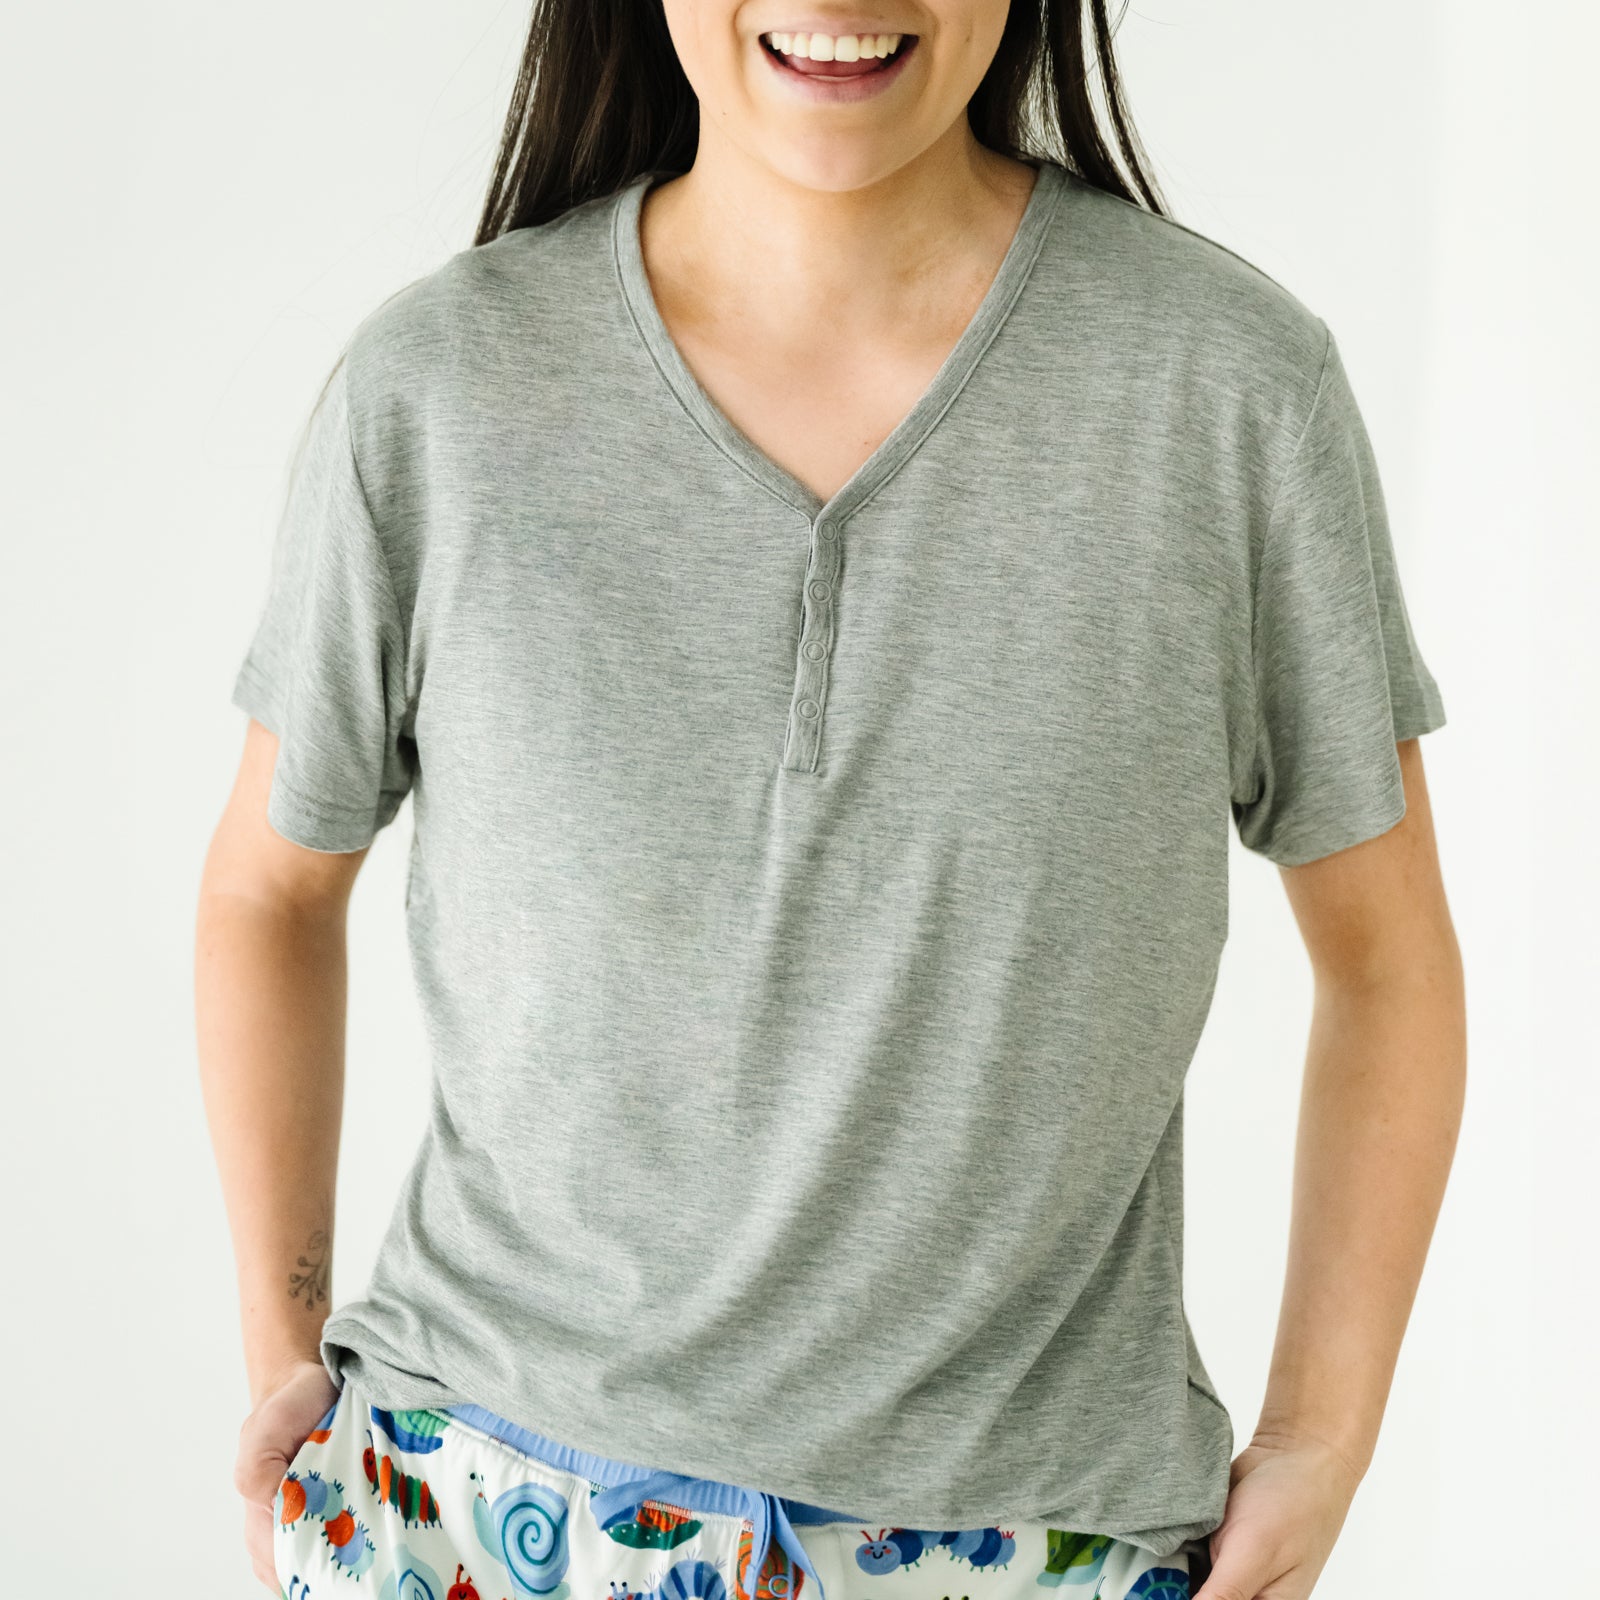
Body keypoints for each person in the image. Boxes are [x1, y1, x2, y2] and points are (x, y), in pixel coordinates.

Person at [195, 4, 1467, 1599]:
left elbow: (1388, 960)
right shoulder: (437, 392)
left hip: (1037, 1546)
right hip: (468, 1507)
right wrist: (279, 1352)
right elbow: (269, 889)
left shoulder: (1227, 391)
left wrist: (1321, 1442)